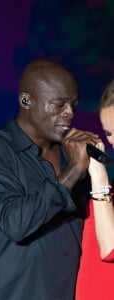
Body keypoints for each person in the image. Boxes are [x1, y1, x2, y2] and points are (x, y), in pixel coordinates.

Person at [0, 59, 102, 300]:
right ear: (26, 101)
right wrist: (74, 170)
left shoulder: (72, 154)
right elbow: (17, 223)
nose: (70, 113)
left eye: (74, 105)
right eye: (59, 104)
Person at [76, 80, 114, 299]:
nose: (113, 142)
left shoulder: (103, 188)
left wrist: (99, 176)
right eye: (109, 133)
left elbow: (110, 248)